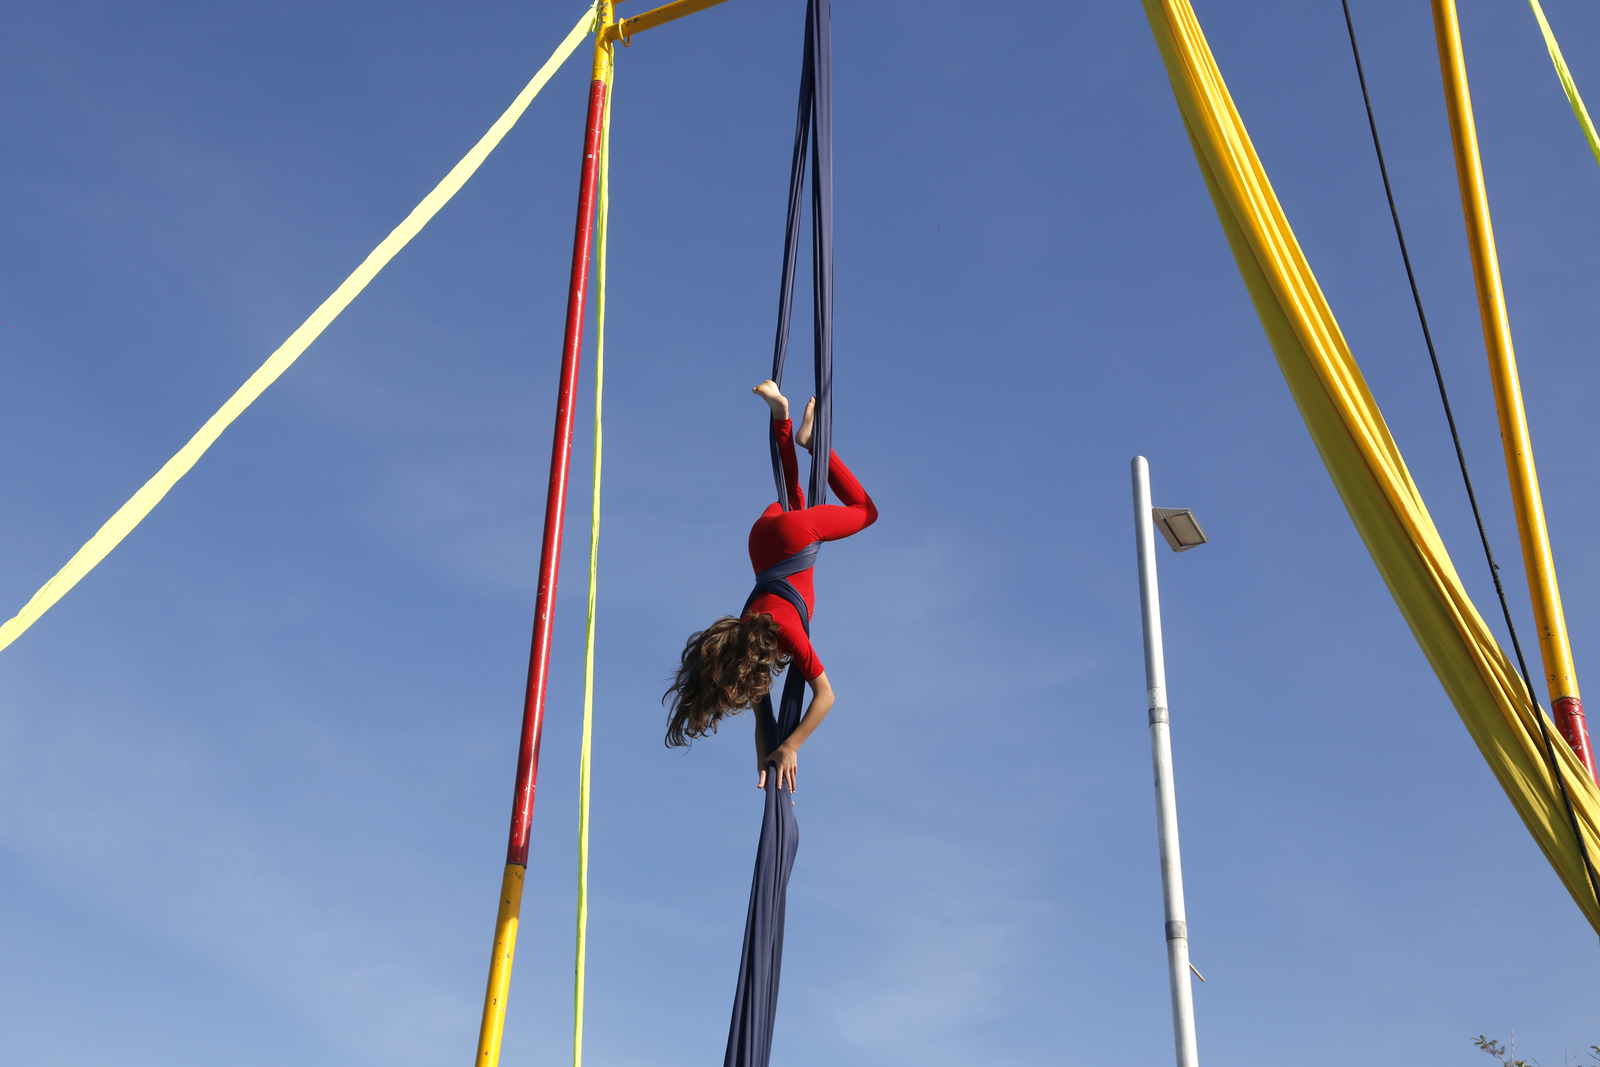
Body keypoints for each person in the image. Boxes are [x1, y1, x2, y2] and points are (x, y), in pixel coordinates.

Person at [664, 380, 878, 794]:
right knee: (792, 496)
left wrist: (793, 746)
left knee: (865, 511)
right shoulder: (743, 632)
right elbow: (764, 721)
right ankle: (783, 415)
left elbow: (825, 696)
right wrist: (766, 761)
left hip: (792, 540)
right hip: (761, 542)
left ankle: (815, 444)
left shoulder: (785, 634)